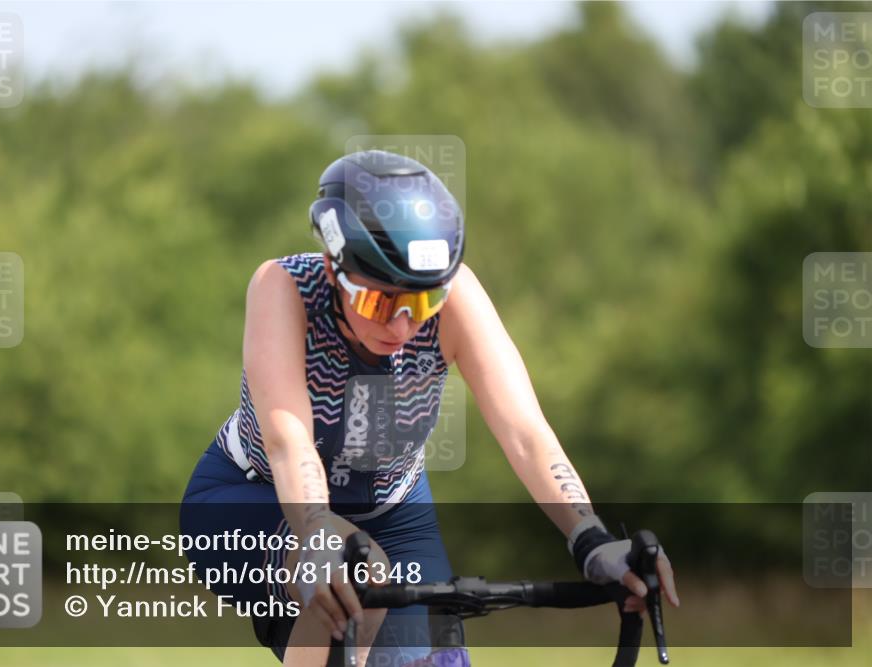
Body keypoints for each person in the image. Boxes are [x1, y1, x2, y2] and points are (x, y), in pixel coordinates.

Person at [181, 149, 679, 667]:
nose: (401, 328)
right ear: (333, 267)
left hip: (395, 510)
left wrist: (590, 537)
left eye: (420, 305)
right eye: (378, 303)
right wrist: (315, 532)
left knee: (432, 662)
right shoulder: (282, 288)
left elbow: (524, 432)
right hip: (253, 496)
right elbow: (290, 439)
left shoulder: (455, 295)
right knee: (356, 577)